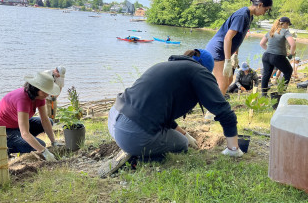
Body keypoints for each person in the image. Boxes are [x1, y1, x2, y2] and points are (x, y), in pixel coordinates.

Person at [98, 49, 243, 178]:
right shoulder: (199, 72)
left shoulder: (167, 66)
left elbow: (160, 113)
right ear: (206, 69)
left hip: (114, 119)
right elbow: (225, 112)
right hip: (132, 132)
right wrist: (233, 149)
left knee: (180, 137)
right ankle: (138, 157)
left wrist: (185, 133)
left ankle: (133, 146)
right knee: (182, 144)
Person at [205, 0, 273, 96]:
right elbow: (228, 38)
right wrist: (227, 60)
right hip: (217, 50)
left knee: (228, 80)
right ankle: (213, 111)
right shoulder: (242, 15)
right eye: (265, 10)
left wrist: (235, 55)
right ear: (260, 5)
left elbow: (237, 38)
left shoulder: (249, 16)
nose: (264, 13)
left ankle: (214, 104)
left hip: (223, 51)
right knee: (222, 83)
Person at [0, 72, 63, 161]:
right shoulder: (23, 100)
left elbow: (45, 120)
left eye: (49, 91)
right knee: (41, 145)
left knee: (49, 121)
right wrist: (44, 152)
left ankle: (22, 141)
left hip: (17, 124)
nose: (47, 94)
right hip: (1, 129)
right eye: (45, 91)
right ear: (36, 88)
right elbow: (25, 133)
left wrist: (54, 142)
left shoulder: (40, 97)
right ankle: (1, 145)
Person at [260, 17, 296, 96]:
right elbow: (293, 44)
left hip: (266, 56)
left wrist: (270, 50)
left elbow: (262, 43)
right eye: (288, 25)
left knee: (266, 74)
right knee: (288, 71)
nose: (288, 26)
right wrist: (291, 53)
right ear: (285, 23)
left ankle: (263, 94)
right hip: (277, 57)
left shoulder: (271, 31)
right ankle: (281, 92)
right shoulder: (285, 31)